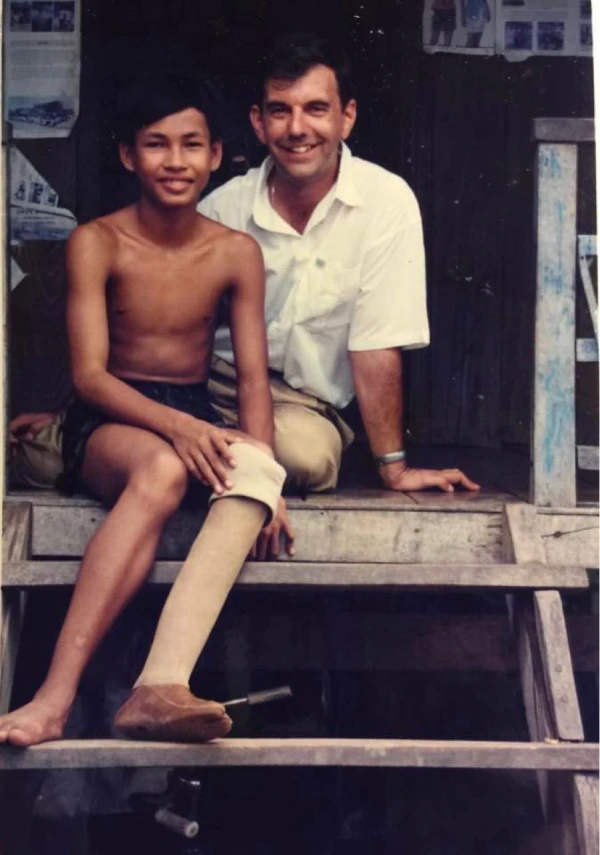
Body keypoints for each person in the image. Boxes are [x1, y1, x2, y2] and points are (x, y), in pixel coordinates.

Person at [0, 74, 285, 747]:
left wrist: (265, 480)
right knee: (160, 469)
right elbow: (90, 375)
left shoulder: (235, 251)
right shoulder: (98, 241)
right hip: (110, 415)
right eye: (156, 145)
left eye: (191, 145)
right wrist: (183, 428)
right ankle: (54, 695)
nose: (176, 161)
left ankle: (159, 687)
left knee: (250, 468)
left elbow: (251, 380)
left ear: (217, 155)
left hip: (188, 407)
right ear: (129, 156)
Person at [199, 33, 479, 554]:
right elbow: (161, 325)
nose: (297, 128)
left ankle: (194, 454)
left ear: (346, 118)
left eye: (316, 109)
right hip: (211, 388)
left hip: (302, 410)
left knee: (306, 458)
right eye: (279, 111)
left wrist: (393, 470)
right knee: (49, 453)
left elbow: (375, 344)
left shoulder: (384, 201)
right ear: (258, 122)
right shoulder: (223, 207)